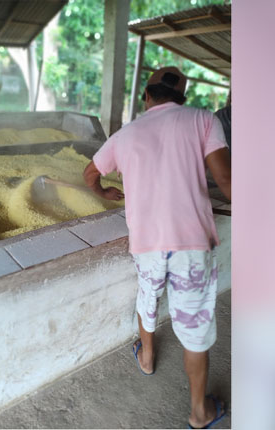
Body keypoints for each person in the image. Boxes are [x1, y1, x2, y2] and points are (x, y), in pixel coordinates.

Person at [83, 66, 232, 429]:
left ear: (146, 96)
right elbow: (226, 180)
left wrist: (104, 191)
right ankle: (199, 413)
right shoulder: (204, 120)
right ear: (183, 97)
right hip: (191, 243)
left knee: (148, 296)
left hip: (146, 243)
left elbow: (90, 174)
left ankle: (147, 358)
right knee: (194, 325)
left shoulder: (125, 134)